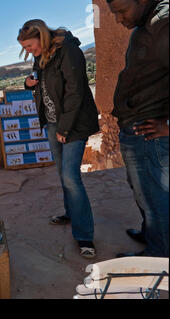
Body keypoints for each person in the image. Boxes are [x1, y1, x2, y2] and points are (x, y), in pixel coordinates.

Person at [18, 19, 100, 259]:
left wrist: (65, 128)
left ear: (41, 37)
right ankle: (71, 212)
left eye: (30, 47)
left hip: (73, 124)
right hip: (53, 124)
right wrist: (28, 84)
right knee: (62, 173)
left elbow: (75, 91)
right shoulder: (42, 54)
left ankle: (85, 235)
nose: (29, 52)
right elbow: (45, 85)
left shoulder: (69, 51)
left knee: (71, 177)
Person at [106, 0, 169, 258]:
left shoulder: (162, 23)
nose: (119, 19)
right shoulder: (147, 23)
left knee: (155, 196)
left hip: (150, 131)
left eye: (122, 10)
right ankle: (152, 234)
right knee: (143, 189)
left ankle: (159, 255)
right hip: (137, 128)